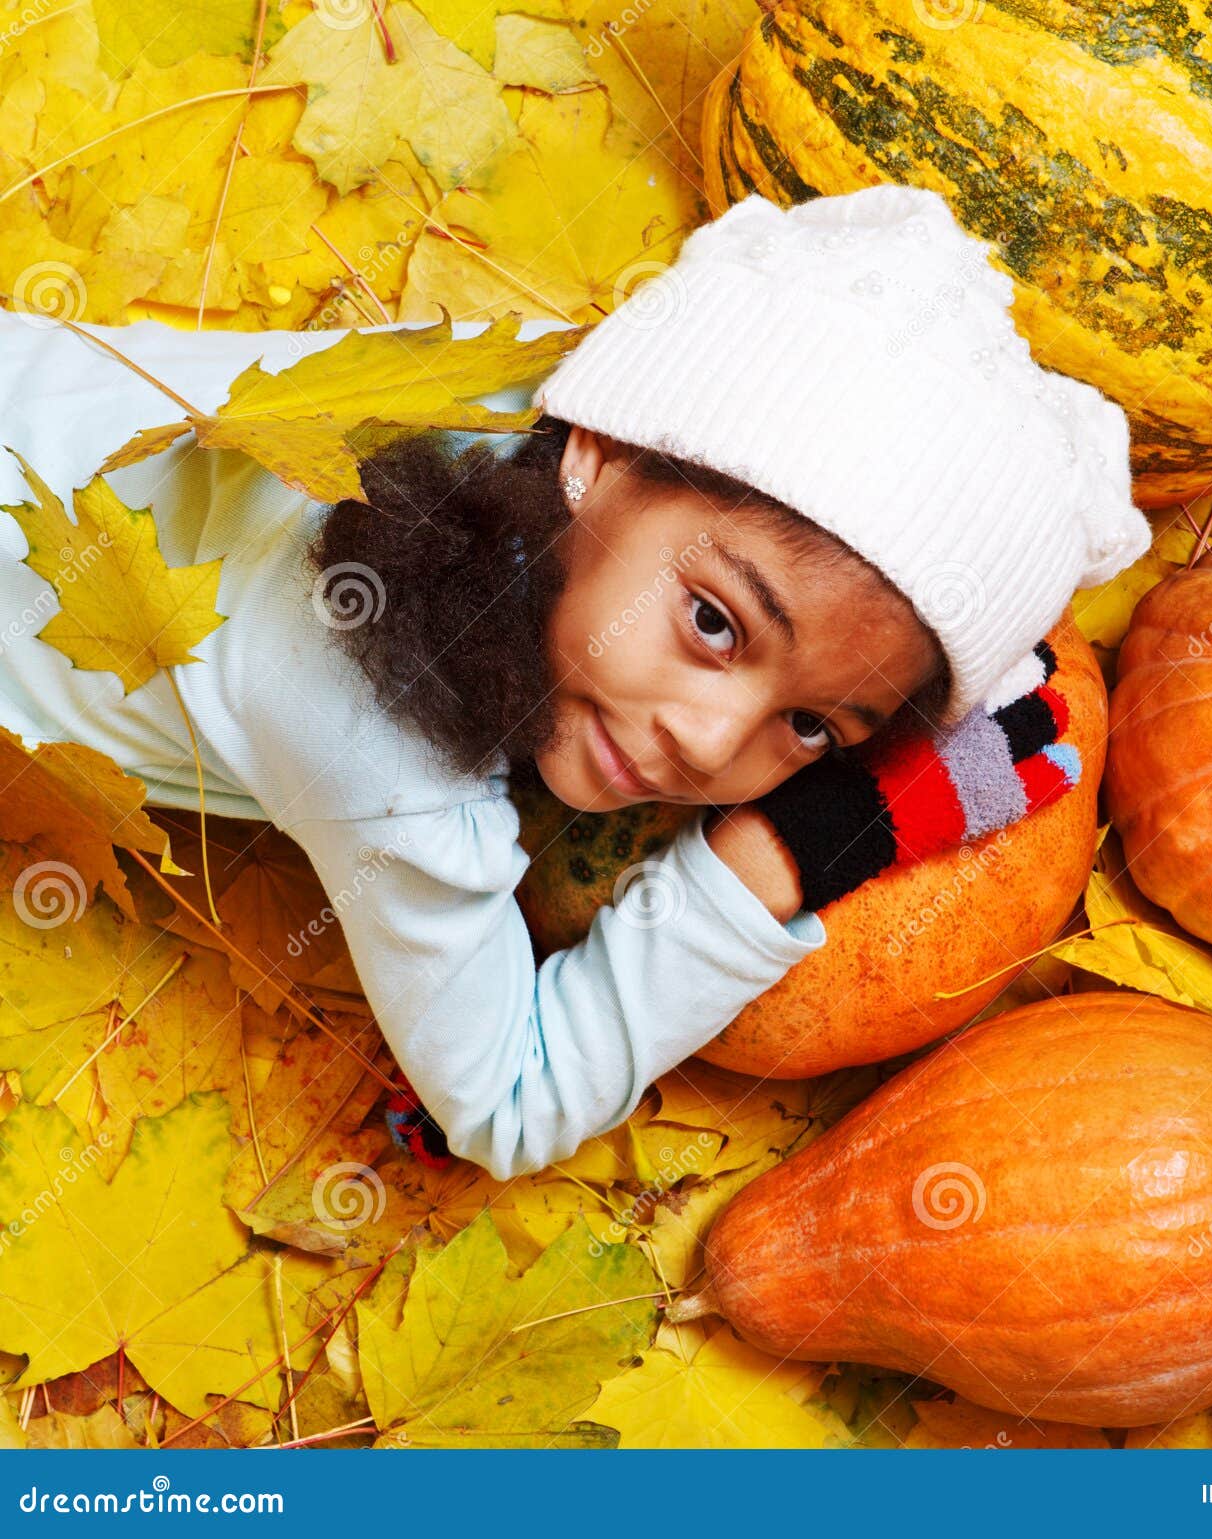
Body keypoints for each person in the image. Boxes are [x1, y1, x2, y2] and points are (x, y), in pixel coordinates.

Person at [0, 183, 1150, 1182]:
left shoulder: (562, 393)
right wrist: (797, 845)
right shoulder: (375, 731)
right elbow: (505, 1106)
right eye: (713, 623)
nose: (709, 742)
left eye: (811, 728)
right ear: (596, 451)